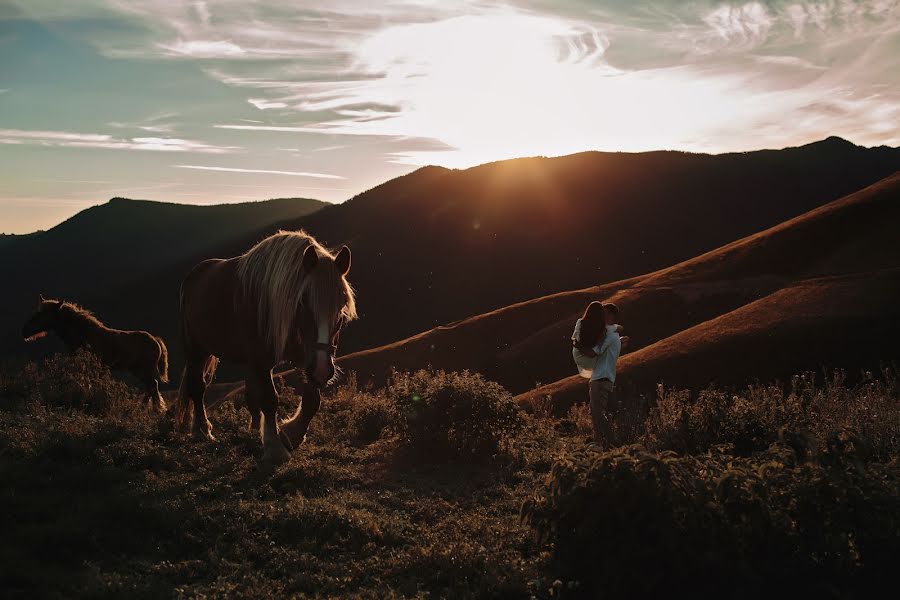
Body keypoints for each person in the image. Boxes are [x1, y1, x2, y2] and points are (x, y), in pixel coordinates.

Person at [572, 302, 629, 442]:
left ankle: (609, 443)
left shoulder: (610, 335)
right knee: (599, 414)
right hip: (602, 378)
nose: (601, 317)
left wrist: (578, 346)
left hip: (601, 379)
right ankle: (603, 442)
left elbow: (593, 353)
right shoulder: (611, 334)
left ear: (611, 315)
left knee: (598, 415)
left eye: (604, 314)